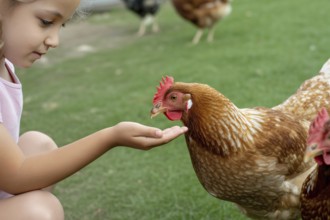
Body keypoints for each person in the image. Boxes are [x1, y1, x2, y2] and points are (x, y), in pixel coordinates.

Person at [0, 0, 188, 219]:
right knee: (39, 211)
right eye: (46, 22)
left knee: (39, 144)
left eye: (61, 26)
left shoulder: (6, 64)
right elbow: (16, 175)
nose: (55, 41)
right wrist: (111, 137)